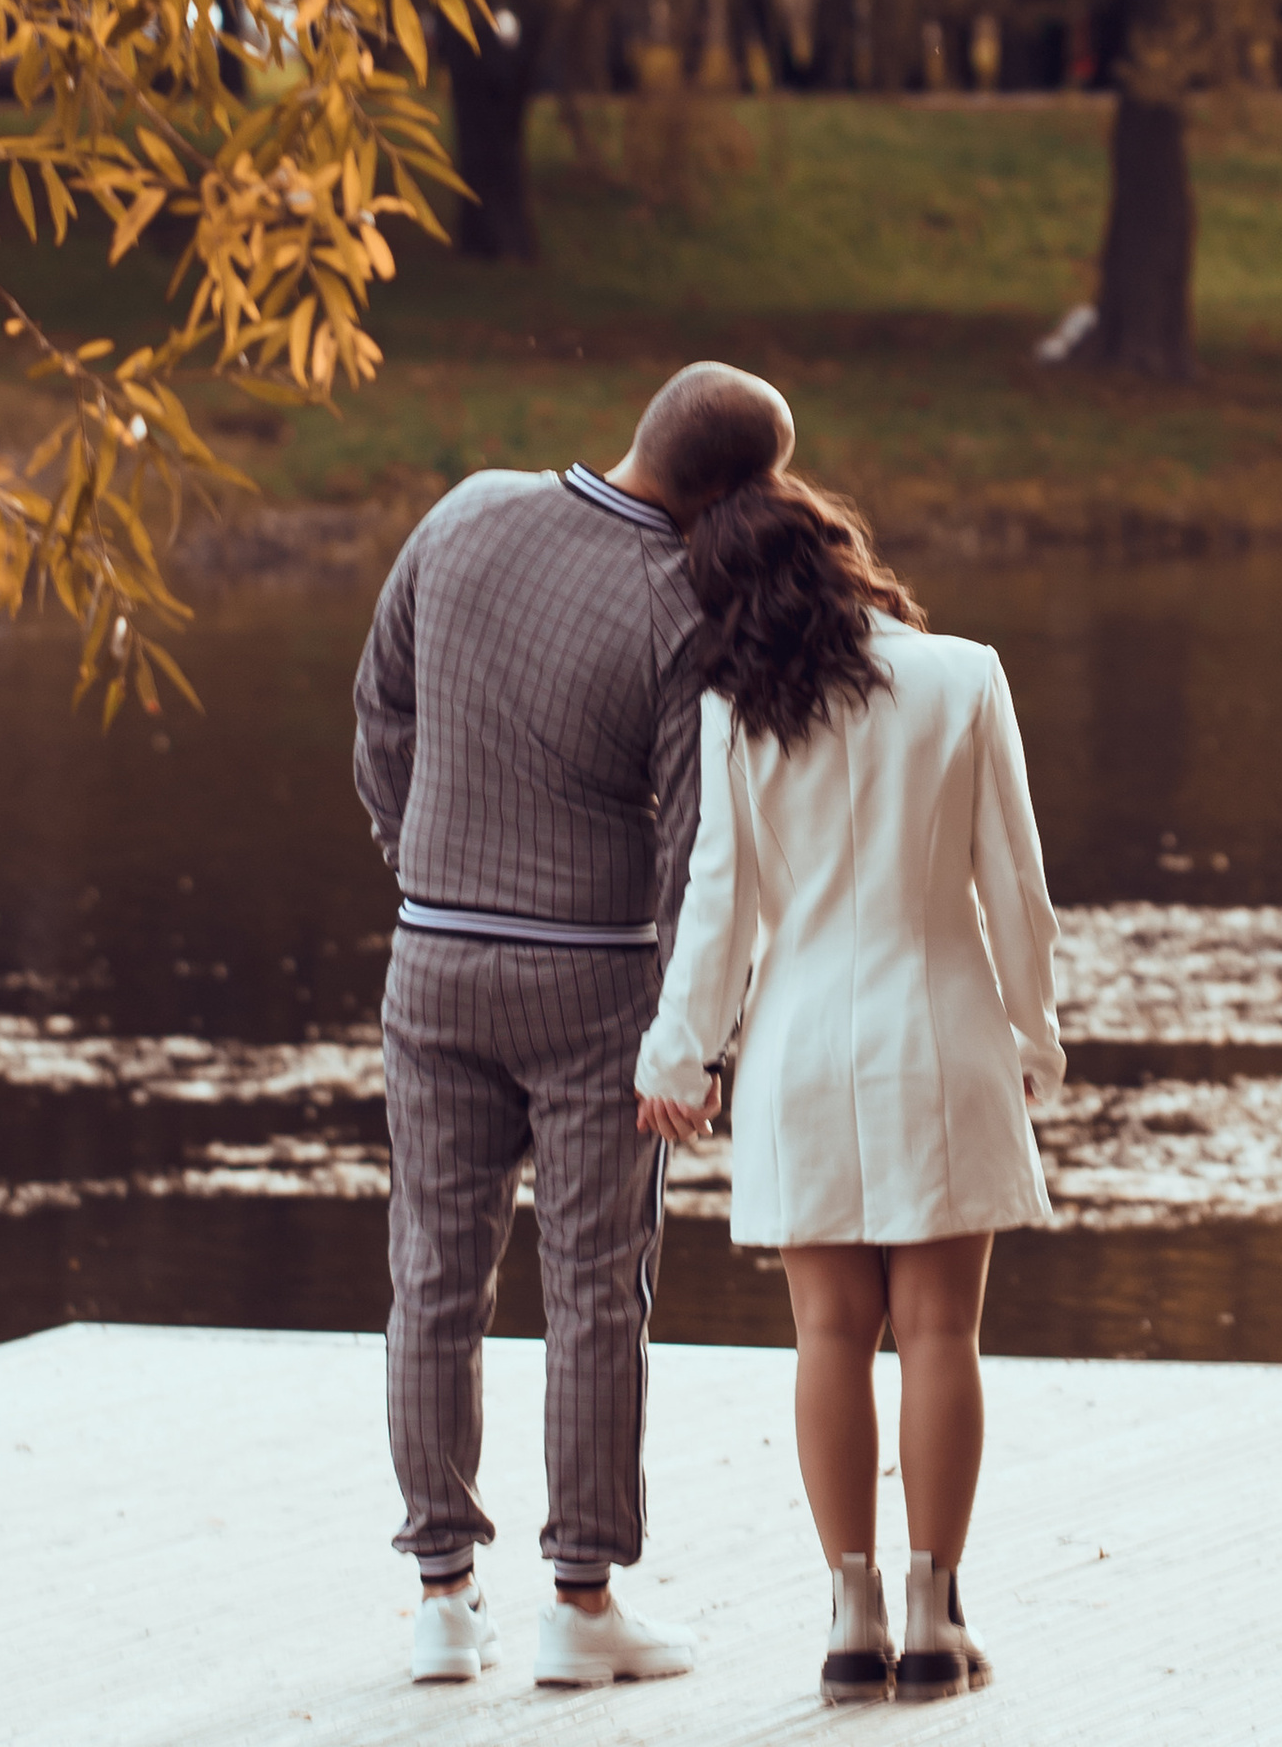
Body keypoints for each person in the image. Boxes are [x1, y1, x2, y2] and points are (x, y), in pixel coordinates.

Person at [351, 361, 788, 1691]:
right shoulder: (682, 606)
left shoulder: (466, 510)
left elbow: (380, 716)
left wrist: (425, 863)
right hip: (593, 987)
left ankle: (440, 1597)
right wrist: (691, 1035)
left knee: (432, 1272)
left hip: (432, 959)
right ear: (723, 492)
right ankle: (583, 1602)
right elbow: (692, 848)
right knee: (595, 1287)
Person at [635, 434, 1063, 1707]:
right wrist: (1035, 1035)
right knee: (941, 1329)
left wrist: (678, 1055)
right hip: (942, 1030)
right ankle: (934, 1619)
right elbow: (1016, 892)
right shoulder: (963, 676)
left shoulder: (735, 712)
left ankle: (848, 1613)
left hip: (801, 1043)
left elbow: (718, 909)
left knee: (829, 1331)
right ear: (841, 557)